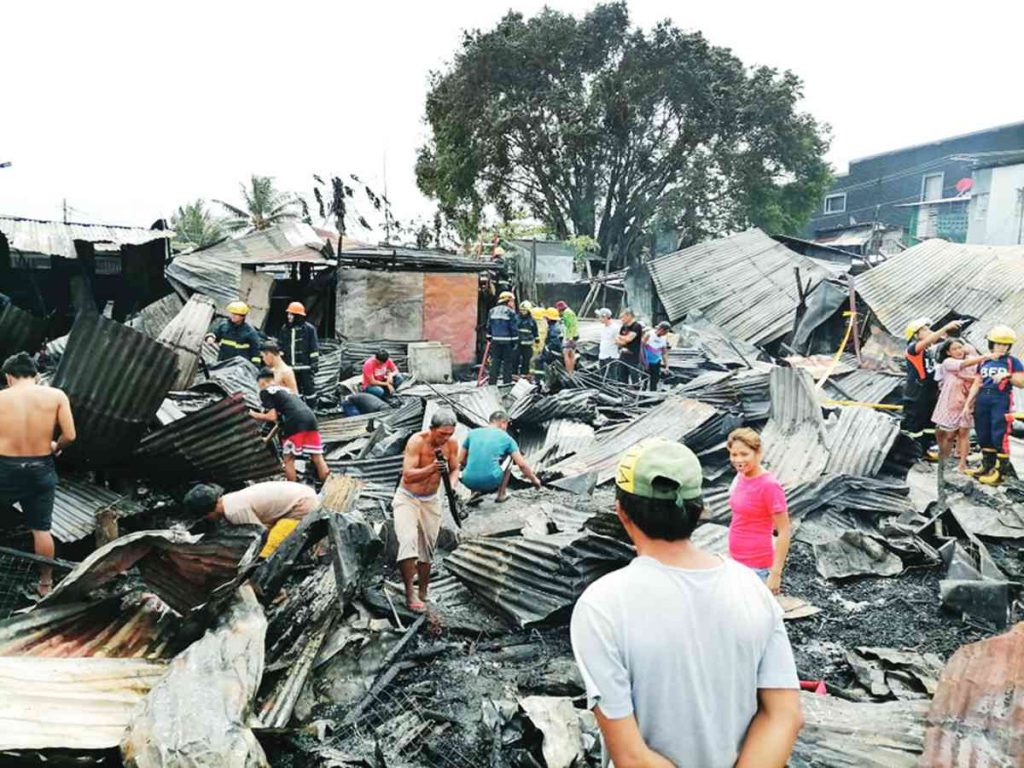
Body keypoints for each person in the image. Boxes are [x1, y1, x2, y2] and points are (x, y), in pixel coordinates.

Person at [570, 438, 801, 768]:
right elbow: (784, 716)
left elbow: (631, 757)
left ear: (621, 513)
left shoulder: (602, 606)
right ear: (700, 509)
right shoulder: (751, 587)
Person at [0, 352, 76, 596]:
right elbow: (70, 435)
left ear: (9, 377)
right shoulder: (56, 396)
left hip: (5, 467)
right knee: (41, 528)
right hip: (40, 467)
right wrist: (56, 446)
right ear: (36, 375)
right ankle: (46, 582)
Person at [394, 409, 460, 611]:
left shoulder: (452, 444)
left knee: (428, 547)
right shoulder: (417, 441)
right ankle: (409, 592)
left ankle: (423, 591)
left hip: (431, 500)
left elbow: (455, 468)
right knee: (408, 541)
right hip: (407, 498)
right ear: (432, 429)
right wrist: (431, 468)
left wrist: (452, 485)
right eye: (442, 434)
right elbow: (408, 475)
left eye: (449, 434)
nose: (445, 438)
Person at [726, 428, 791, 594]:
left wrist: (775, 574)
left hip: (757, 566)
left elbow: (784, 531)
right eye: (734, 454)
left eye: (744, 454)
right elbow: (739, 519)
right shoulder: (741, 477)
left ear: (758, 453)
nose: (738, 459)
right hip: (735, 561)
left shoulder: (769, 486)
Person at [963, 325, 1024, 485]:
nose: (1002, 347)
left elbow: (1021, 383)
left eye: (1005, 345)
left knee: (999, 435)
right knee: (983, 434)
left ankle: (1000, 474)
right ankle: (987, 466)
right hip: (983, 400)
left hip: (1000, 400)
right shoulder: (984, 361)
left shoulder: (1012, 361)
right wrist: (968, 404)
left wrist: (1008, 375)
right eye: (998, 344)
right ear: (991, 344)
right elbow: (977, 383)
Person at [252, 368, 330, 483]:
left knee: (288, 460)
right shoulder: (285, 391)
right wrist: (268, 438)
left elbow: (271, 417)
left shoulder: (265, 391)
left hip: (295, 422)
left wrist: (252, 414)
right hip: (310, 419)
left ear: (262, 382)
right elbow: (279, 421)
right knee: (317, 457)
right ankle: (327, 487)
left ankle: (292, 490)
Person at [902, 317, 961, 459]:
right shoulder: (912, 349)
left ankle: (925, 450)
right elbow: (929, 340)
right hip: (917, 391)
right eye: (925, 329)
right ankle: (911, 452)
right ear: (916, 334)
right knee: (915, 424)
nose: (929, 331)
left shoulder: (929, 350)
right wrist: (946, 326)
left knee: (929, 422)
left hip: (929, 390)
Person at [932, 339, 994, 473]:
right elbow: (964, 365)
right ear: (948, 352)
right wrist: (983, 357)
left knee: (963, 433)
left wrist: (967, 377)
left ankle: (962, 464)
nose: (958, 351)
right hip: (950, 402)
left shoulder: (974, 360)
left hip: (968, 401)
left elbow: (980, 379)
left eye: (960, 347)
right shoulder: (948, 362)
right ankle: (943, 460)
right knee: (948, 434)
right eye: (954, 349)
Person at [459, 410, 541, 503]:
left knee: (475, 455)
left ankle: (474, 492)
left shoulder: (472, 433)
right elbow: (522, 465)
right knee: (510, 458)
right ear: (503, 423)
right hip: (491, 481)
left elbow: (460, 460)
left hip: (467, 480)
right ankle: (501, 494)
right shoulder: (507, 438)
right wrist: (535, 480)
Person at [183, 480, 317, 527]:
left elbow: (258, 533)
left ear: (209, 513)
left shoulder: (233, 511)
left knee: (271, 545)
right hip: (303, 492)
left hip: (303, 503)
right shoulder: (228, 499)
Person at [279, 301, 320, 404]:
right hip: (291, 368)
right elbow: (281, 347)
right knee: (295, 390)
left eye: (291, 314)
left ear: (298, 316)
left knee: (309, 390)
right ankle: (299, 408)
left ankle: (311, 407)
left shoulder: (309, 329)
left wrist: (314, 362)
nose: (289, 316)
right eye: (288, 314)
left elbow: (314, 347)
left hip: (305, 367)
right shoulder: (285, 329)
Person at [205, 300, 262, 365]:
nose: (232, 315)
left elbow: (255, 352)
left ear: (242, 316)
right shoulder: (224, 325)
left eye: (235, 314)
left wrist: (254, 367)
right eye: (232, 313)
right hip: (223, 362)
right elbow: (214, 333)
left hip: (239, 366)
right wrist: (210, 337)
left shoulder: (250, 332)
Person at [486, 291, 518, 385]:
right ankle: (506, 383)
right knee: (507, 363)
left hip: (495, 341)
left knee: (495, 362)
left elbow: (489, 326)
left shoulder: (492, 311)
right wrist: (515, 342)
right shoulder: (510, 312)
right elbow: (513, 328)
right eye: (511, 301)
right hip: (507, 342)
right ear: (507, 301)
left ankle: (492, 383)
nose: (512, 304)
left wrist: (489, 337)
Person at [615, 307, 644, 385]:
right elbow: (617, 342)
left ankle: (636, 394)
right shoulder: (623, 327)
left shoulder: (636, 326)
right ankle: (623, 393)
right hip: (623, 356)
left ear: (629, 316)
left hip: (633, 357)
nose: (621, 319)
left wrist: (621, 338)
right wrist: (622, 340)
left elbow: (628, 339)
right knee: (621, 377)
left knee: (635, 378)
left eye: (623, 317)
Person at [643, 321, 672, 391]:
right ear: (661, 329)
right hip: (646, 362)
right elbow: (641, 348)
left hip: (656, 362)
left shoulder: (664, 338)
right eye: (665, 332)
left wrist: (666, 366)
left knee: (654, 381)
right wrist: (644, 361)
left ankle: (652, 397)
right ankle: (641, 396)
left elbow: (664, 353)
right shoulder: (649, 334)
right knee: (643, 380)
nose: (666, 334)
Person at [516, 300, 539, 377]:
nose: (523, 312)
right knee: (515, 359)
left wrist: (537, 338)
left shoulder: (532, 320)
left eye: (524, 310)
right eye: (521, 310)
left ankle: (524, 374)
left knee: (526, 360)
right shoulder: (516, 318)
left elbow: (535, 330)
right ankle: (514, 374)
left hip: (528, 344)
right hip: (517, 343)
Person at [596, 308, 620, 378]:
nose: (599, 319)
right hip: (602, 355)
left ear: (605, 317)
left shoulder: (615, 328)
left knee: (612, 376)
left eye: (600, 317)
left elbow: (618, 341)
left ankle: (614, 388)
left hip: (611, 356)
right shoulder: (603, 327)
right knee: (603, 376)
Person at [556, 301, 579, 375]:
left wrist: (569, 337)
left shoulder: (566, 314)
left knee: (566, 354)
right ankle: (571, 372)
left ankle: (568, 373)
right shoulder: (571, 312)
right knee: (572, 354)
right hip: (575, 335)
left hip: (569, 336)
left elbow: (569, 325)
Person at [537, 307, 563, 371]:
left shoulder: (553, 329)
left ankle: (540, 378)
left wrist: (547, 348)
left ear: (549, 318)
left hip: (555, 353)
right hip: (558, 351)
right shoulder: (557, 326)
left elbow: (554, 343)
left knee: (538, 360)